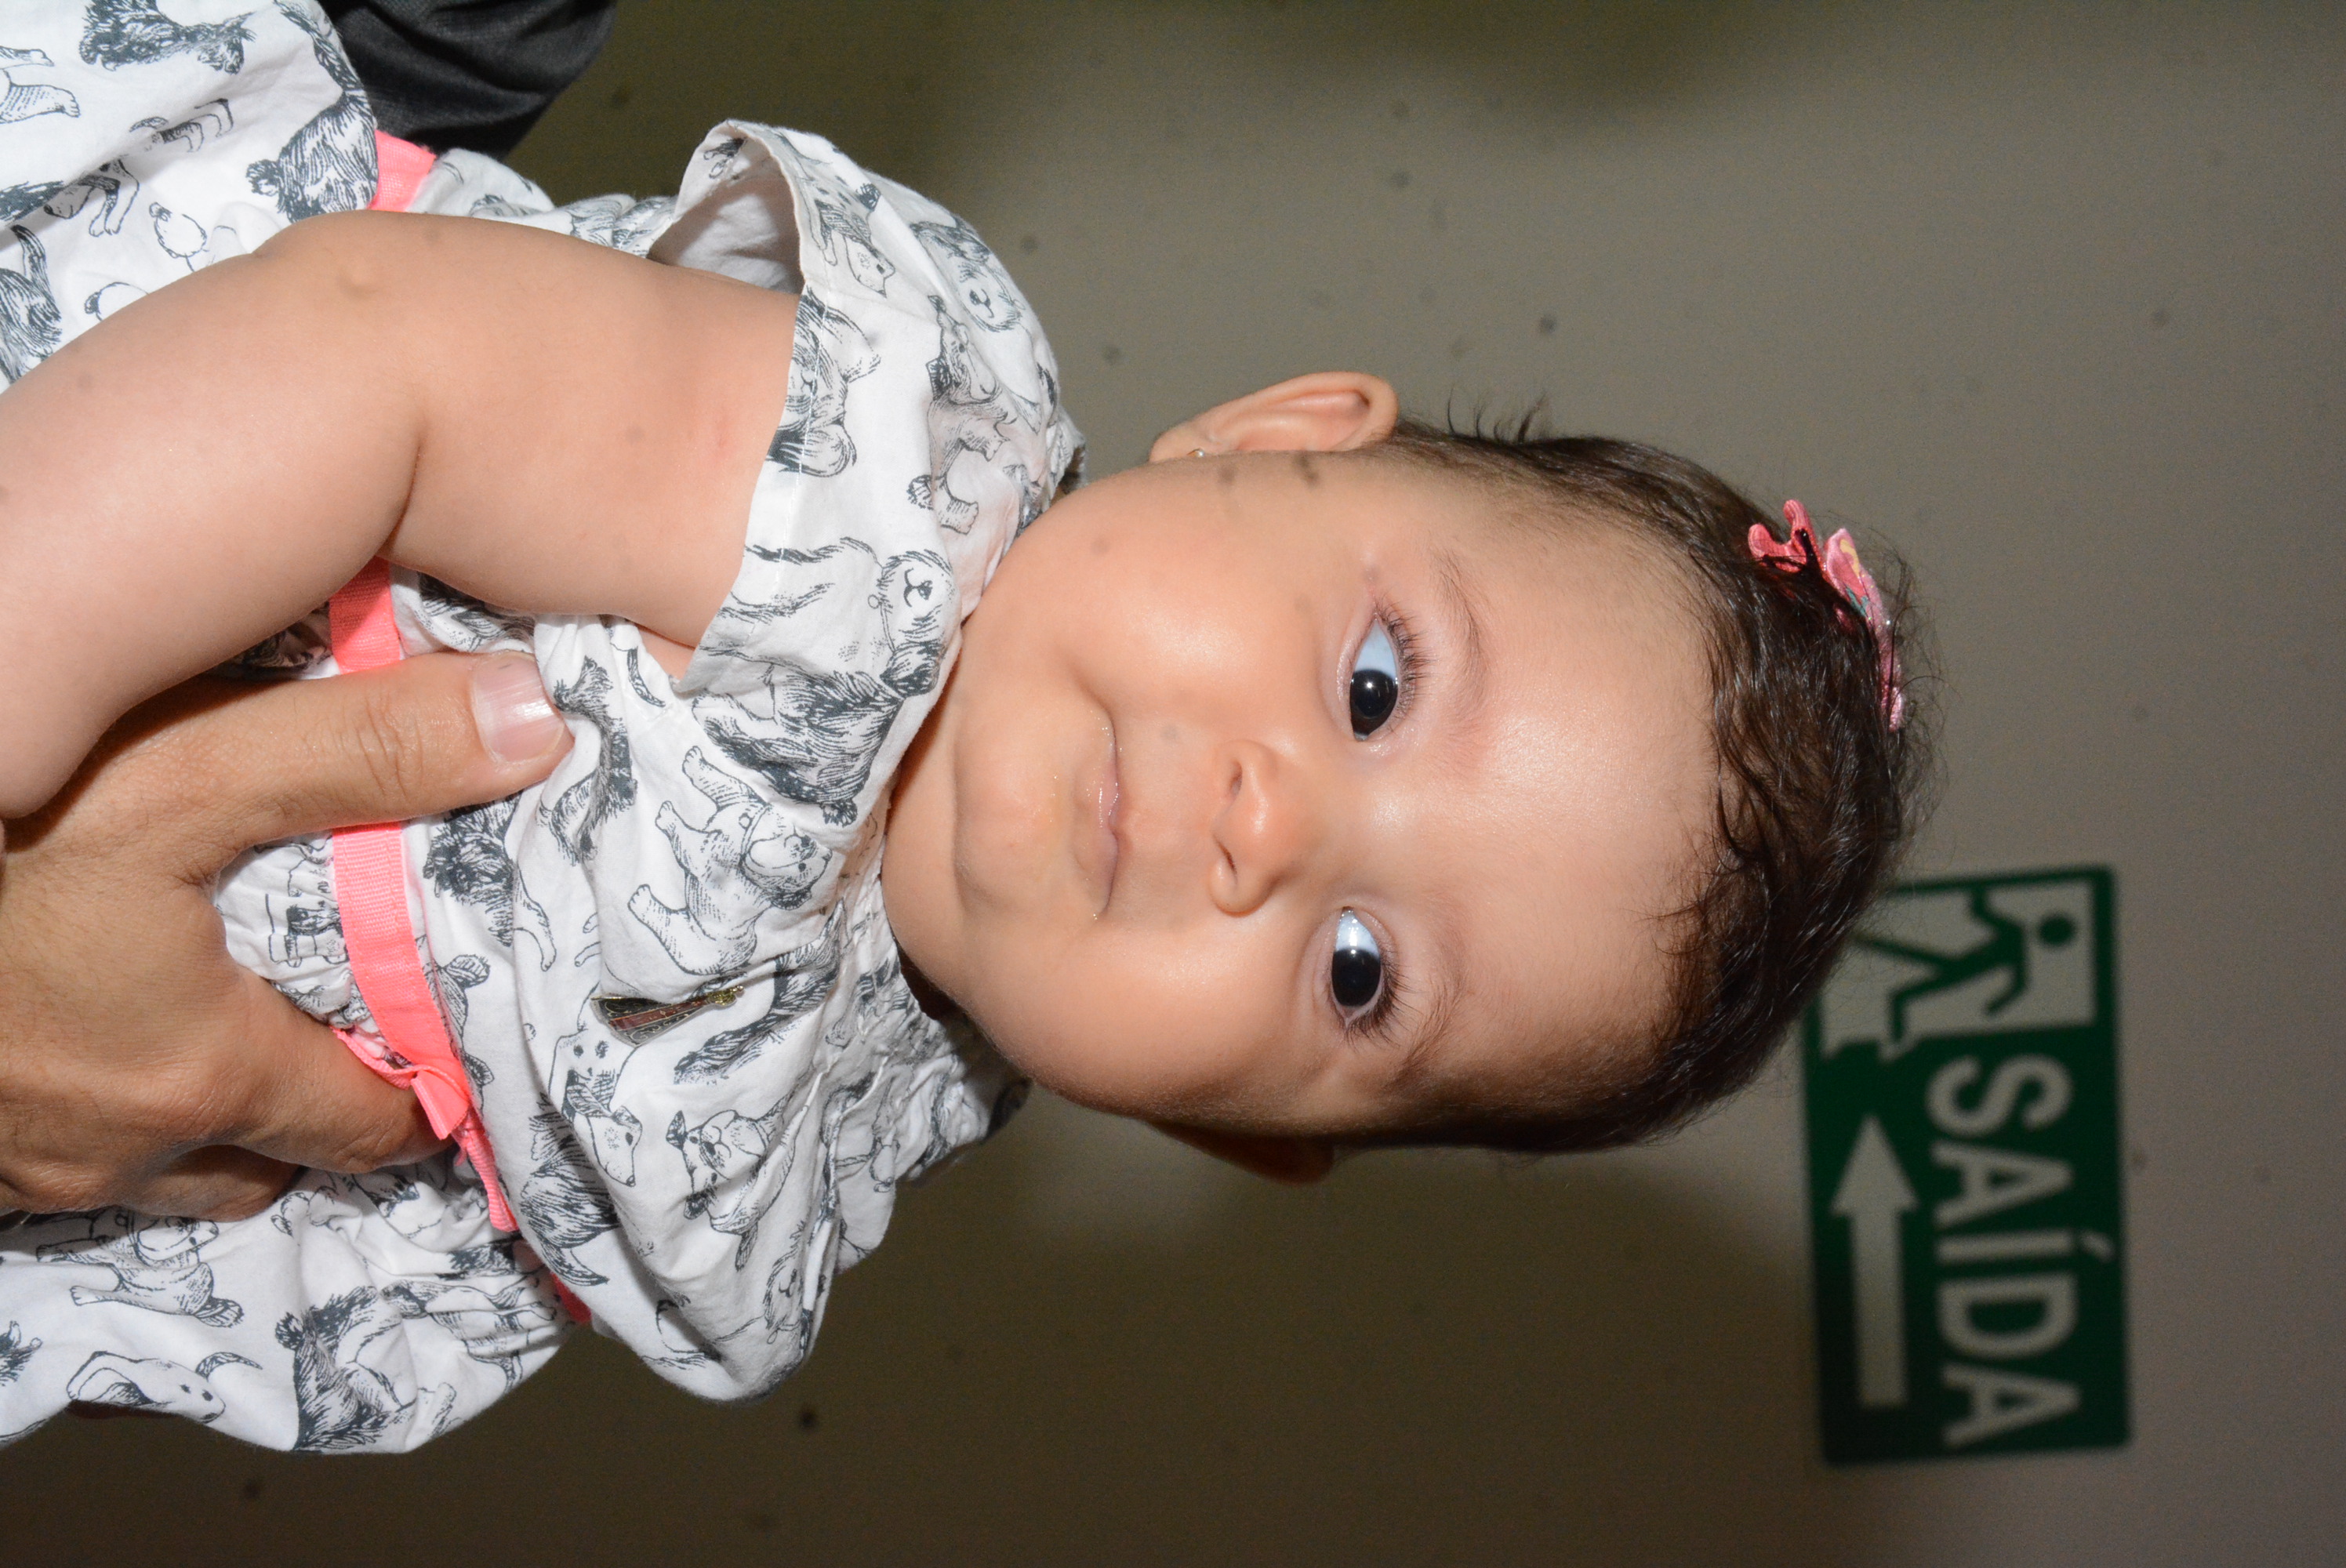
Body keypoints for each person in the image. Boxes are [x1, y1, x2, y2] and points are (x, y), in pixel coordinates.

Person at [0, 2, 1925, 1450]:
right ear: (1265, 439)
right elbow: (371, 343)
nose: (1264, 830)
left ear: (1227, 1128)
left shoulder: (775, 1169)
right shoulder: (868, 497)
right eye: (1372, 687)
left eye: (1359, 972)